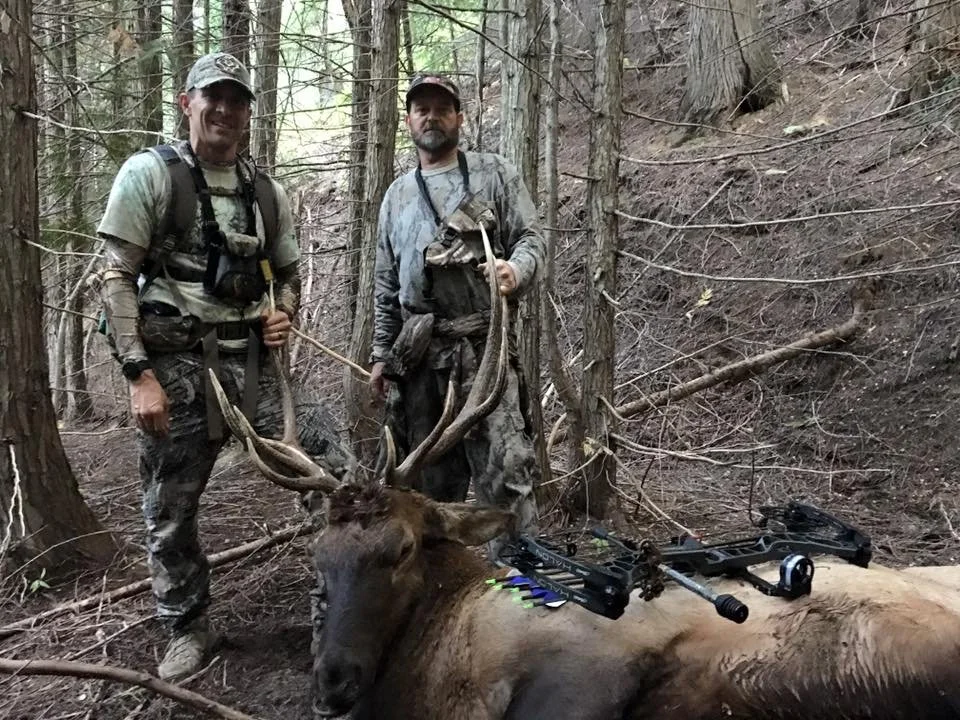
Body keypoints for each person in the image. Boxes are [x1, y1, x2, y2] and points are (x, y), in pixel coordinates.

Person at [88, 52, 355, 682]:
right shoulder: (150, 176)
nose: (225, 110)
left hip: (255, 370)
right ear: (188, 103)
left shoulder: (267, 193)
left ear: (248, 114)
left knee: (337, 480)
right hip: (176, 368)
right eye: (213, 97)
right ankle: (187, 627)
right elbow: (116, 276)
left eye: (237, 101)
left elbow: (287, 274)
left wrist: (284, 311)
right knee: (170, 506)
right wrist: (139, 376)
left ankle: (340, 616)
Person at [370, 72, 545, 554]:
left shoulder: (494, 174)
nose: (432, 117)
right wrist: (382, 355)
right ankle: (438, 596)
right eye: (421, 109)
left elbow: (534, 239)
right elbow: (386, 282)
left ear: (460, 118)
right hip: (421, 360)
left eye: (442, 109)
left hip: (483, 353)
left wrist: (516, 269)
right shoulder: (396, 196)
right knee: (424, 486)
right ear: (408, 120)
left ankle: (520, 587)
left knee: (507, 473)